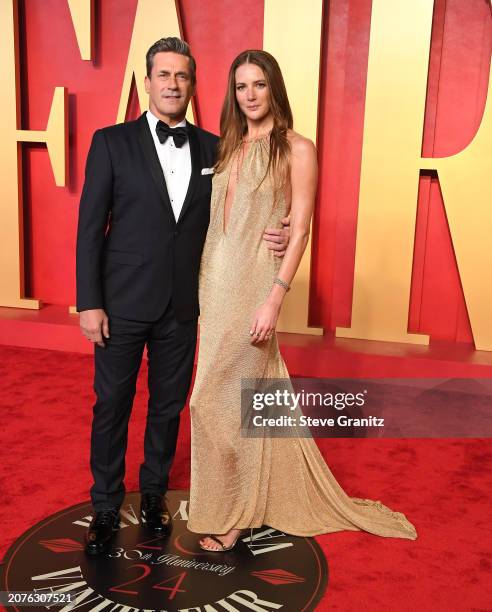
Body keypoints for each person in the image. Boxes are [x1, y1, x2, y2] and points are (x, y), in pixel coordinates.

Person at [187, 49, 417, 551]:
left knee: (217, 399)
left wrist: (275, 298)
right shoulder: (226, 147)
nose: (250, 95)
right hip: (213, 283)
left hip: (253, 285)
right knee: (233, 398)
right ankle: (228, 500)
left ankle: (235, 514)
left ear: (275, 89)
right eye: (242, 86)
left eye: (259, 85)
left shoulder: (297, 147)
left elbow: (301, 229)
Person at [75, 38, 289, 556]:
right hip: (121, 302)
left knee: (168, 408)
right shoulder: (110, 142)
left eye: (182, 76)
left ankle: (153, 495)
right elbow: (89, 228)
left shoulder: (219, 148)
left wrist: (279, 232)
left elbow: (245, 209)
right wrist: (89, 301)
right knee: (112, 406)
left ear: (193, 84)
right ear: (147, 82)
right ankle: (105, 506)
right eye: (163, 75)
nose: (172, 84)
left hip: (185, 305)